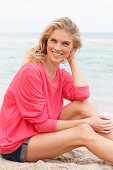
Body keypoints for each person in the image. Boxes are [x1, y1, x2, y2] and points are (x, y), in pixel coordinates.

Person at [0, 17, 113, 164]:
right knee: (83, 131)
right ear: (46, 41)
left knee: (82, 105)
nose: (58, 48)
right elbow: (41, 125)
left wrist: (72, 60)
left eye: (65, 43)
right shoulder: (31, 72)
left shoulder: (60, 74)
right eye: (53, 41)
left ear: (73, 48)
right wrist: (87, 123)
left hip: (39, 133)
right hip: (18, 145)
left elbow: (82, 94)